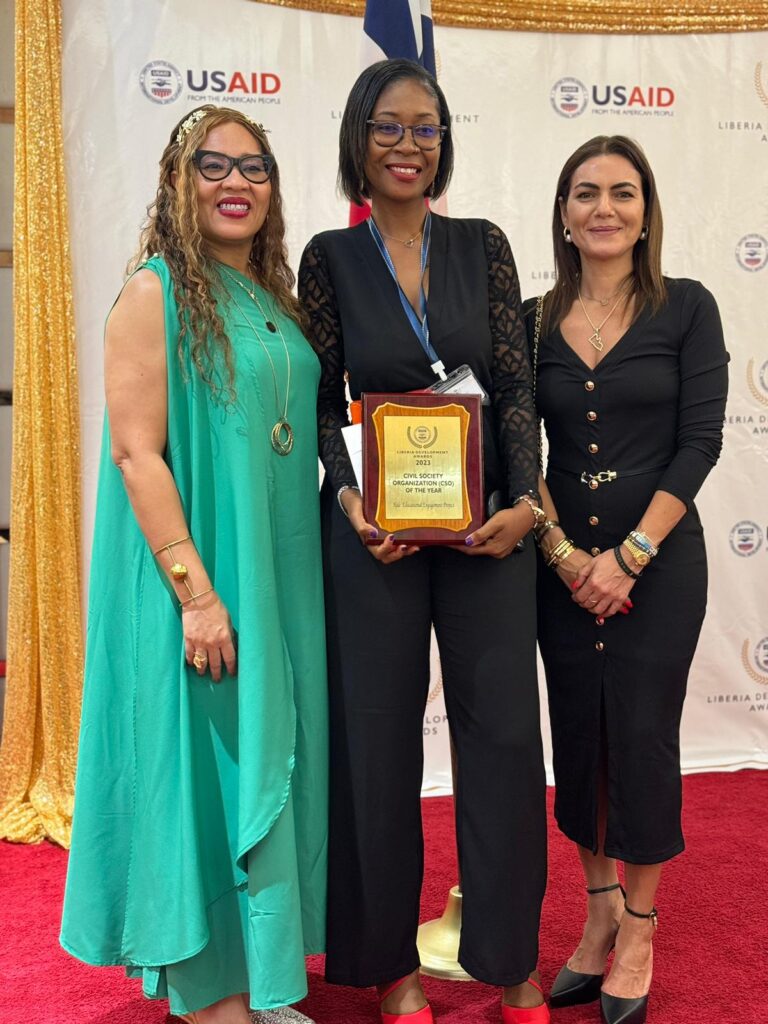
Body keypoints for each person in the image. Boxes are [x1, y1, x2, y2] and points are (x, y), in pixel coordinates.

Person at [59, 105, 327, 1024]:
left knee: (260, 757)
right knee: (205, 768)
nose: (235, 182)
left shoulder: (268, 294)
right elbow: (137, 454)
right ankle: (211, 997)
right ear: (179, 181)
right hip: (202, 579)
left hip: (277, 576)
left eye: (254, 167)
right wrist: (198, 594)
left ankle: (258, 976)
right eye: (213, 165)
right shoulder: (155, 290)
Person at [298, 59, 548, 1024]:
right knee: (374, 745)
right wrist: (350, 499)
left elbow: (516, 387)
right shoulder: (329, 256)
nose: (409, 145)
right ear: (359, 138)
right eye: (389, 127)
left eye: (426, 127)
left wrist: (523, 504)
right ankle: (389, 969)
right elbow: (324, 401)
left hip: (489, 533)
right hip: (377, 542)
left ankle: (511, 960)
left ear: (445, 140)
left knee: (504, 741)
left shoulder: (484, 245)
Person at [524, 135, 728, 1024]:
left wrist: (631, 555)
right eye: (585, 193)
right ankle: (599, 907)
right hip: (559, 570)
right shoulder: (529, 319)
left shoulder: (689, 307)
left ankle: (639, 928)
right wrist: (565, 554)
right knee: (580, 738)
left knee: (641, 737)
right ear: (564, 214)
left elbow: (701, 441)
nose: (603, 208)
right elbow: (515, 445)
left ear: (646, 213)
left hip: (661, 567)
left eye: (622, 192)